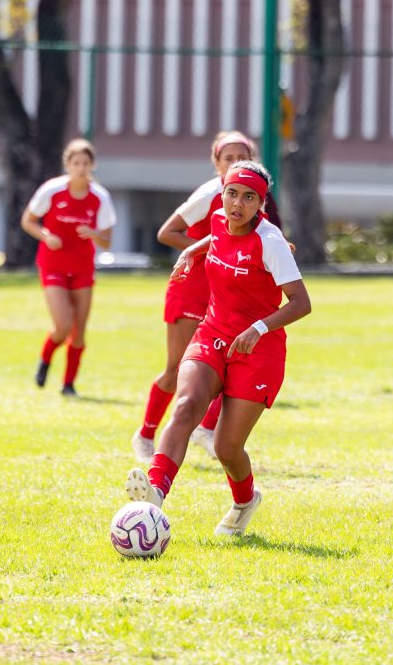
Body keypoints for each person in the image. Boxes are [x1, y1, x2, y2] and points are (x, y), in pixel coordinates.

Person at [125, 160, 310, 537]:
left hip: (259, 349)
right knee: (187, 404)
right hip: (213, 333)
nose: (237, 204)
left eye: (248, 197)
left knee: (227, 449)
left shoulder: (270, 241)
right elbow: (218, 236)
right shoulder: (217, 222)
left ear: (261, 203)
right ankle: (155, 494)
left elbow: (301, 303)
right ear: (221, 194)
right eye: (231, 194)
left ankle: (245, 500)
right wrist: (191, 251)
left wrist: (259, 328)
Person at [130, 131, 256, 463]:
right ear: (216, 163)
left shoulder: (251, 197)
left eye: (241, 157)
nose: (234, 163)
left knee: (228, 368)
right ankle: (145, 434)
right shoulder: (211, 193)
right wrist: (209, 251)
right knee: (176, 369)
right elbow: (166, 233)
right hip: (190, 288)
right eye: (227, 158)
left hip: (223, 294)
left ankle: (206, 428)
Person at [20, 138, 116, 397]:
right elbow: (28, 221)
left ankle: (69, 384)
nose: (81, 168)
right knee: (63, 325)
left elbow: (107, 242)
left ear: (92, 166)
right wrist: (46, 236)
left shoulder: (100, 197)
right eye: (76, 163)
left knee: (80, 330)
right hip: (53, 265)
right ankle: (46, 359)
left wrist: (93, 233)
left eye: (86, 163)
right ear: (68, 165)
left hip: (83, 268)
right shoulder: (52, 190)